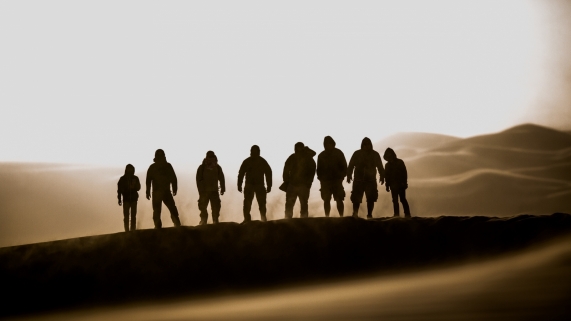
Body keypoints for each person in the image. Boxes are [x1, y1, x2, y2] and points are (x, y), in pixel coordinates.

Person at [347, 137, 385, 219]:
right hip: (358, 180)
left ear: (370, 145)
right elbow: (350, 165)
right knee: (356, 198)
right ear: (362, 145)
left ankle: (369, 214)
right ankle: (355, 213)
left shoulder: (375, 154)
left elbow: (380, 166)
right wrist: (349, 175)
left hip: (370, 181)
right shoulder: (357, 154)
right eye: (365, 144)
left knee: (371, 198)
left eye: (368, 144)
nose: (366, 146)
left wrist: (382, 176)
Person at [146, 149, 181, 228]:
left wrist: (175, 188)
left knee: (171, 209)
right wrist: (147, 191)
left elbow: (173, 178)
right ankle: (159, 226)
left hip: (165, 192)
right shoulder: (155, 167)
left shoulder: (166, 166)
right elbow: (148, 180)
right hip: (158, 192)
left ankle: (176, 224)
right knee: (159, 211)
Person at [238, 145, 272, 222]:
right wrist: (239, 184)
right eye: (253, 151)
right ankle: (248, 219)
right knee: (248, 203)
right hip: (251, 185)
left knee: (260, 204)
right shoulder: (249, 161)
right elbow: (241, 173)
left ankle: (262, 218)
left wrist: (269, 185)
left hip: (258, 186)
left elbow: (268, 173)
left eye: (255, 151)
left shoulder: (260, 161)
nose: (253, 153)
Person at [282, 142, 316, 218]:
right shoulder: (294, 157)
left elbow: (312, 171)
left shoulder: (307, 158)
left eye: (300, 147)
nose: (298, 149)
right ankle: (288, 219)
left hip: (302, 185)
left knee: (302, 204)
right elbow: (286, 169)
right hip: (294, 184)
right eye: (297, 147)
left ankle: (302, 219)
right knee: (290, 203)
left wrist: (309, 182)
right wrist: (286, 181)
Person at [316, 136, 347, 217]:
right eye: (327, 144)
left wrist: (341, 177)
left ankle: (341, 216)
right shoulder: (321, 155)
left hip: (337, 180)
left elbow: (344, 166)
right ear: (324, 145)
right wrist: (321, 179)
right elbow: (318, 169)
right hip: (325, 181)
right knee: (326, 200)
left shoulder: (338, 153)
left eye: (330, 143)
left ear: (333, 144)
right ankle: (327, 216)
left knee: (339, 199)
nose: (328, 145)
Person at [196, 151, 226, 225]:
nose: (210, 158)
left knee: (215, 208)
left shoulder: (217, 167)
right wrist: (200, 190)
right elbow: (198, 179)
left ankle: (214, 221)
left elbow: (221, 178)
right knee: (203, 208)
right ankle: (204, 221)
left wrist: (223, 188)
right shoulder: (202, 167)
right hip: (205, 191)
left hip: (213, 191)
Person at [383, 148, 411, 218]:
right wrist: (387, 185)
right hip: (393, 186)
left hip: (401, 185)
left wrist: (404, 183)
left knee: (402, 199)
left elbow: (404, 173)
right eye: (387, 156)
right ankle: (396, 215)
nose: (389, 157)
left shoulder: (400, 162)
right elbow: (387, 176)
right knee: (395, 200)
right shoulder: (387, 165)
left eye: (390, 155)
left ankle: (407, 214)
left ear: (393, 155)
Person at [117, 164, 141, 232]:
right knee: (126, 216)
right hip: (126, 199)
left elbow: (138, 187)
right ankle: (127, 230)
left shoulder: (135, 178)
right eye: (129, 169)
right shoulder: (122, 179)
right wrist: (119, 198)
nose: (130, 170)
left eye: (131, 169)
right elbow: (119, 189)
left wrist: (134, 187)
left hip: (133, 199)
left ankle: (132, 230)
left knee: (133, 216)